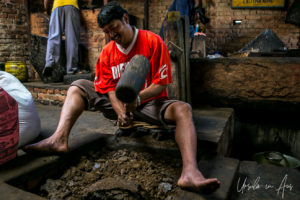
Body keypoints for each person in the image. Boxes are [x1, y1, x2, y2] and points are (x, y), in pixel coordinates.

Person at [25, 1, 220, 193]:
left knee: (183, 109)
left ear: (125, 19)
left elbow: (161, 83)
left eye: (114, 28)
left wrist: (137, 99)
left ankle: (190, 172)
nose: (111, 35)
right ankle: (59, 139)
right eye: (106, 32)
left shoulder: (152, 41)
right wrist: (121, 113)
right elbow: (109, 88)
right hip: (118, 105)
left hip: (149, 103)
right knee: (78, 86)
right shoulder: (107, 52)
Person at [43, 0, 80, 77]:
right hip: (71, 4)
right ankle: (71, 69)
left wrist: (46, 8)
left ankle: (50, 63)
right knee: (71, 39)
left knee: (54, 36)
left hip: (57, 5)